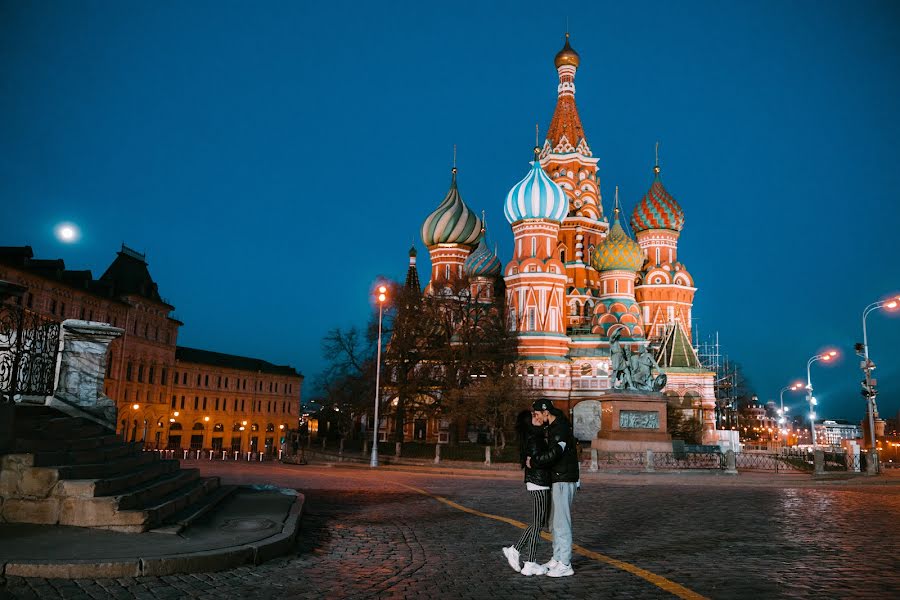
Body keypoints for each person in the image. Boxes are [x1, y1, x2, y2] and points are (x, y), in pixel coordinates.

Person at [531, 398, 579, 577]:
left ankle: (565, 564)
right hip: (557, 478)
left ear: (545, 412)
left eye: (537, 414)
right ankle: (557, 557)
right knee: (553, 521)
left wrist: (534, 461)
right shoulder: (552, 427)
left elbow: (555, 454)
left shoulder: (560, 428)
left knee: (561, 522)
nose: (535, 417)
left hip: (563, 478)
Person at [502, 410, 553, 576]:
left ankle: (516, 552)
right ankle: (529, 561)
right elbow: (538, 461)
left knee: (538, 522)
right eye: (533, 416)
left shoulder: (536, 436)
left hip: (539, 482)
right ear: (528, 423)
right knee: (538, 523)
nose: (537, 417)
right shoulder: (534, 438)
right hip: (538, 483)